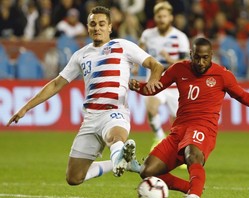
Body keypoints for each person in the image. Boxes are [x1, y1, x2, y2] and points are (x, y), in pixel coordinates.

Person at [7, 6, 164, 186]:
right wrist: (26, 107)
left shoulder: (123, 46)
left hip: (114, 111)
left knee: (115, 138)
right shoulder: (80, 56)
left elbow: (155, 65)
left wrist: (152, 80)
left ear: (110, 27)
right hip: (90, 119)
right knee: (74, 178)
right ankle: (122, 162)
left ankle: (120, 154)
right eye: (93, 24)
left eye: (102, 24)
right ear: (88, 28)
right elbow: (57, 83)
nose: (97, 28)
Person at [129, 37, 249, 198]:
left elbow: (245, 97)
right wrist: (139, 87)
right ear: (191, 54)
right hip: (179, 129)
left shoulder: (222, 75)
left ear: (212, 55)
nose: (201, 62)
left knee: (192, 154)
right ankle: (191, 188)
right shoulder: (178, 68)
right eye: (197, 57)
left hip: (204, 128)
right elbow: (156, 88)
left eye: (205, 57)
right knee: (147, 171)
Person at [137, 1, 190, 147]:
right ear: (155, 18)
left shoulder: (180, 37)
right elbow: (138, 51)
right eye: (159, 16)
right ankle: (159, 138)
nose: (161, 19)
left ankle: (177, 151)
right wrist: (135, 64)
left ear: (171, 18)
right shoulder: (148, 34)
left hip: (175, 84)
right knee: (151, 108)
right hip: (155, 80)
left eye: (164, 16)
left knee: (177, 121)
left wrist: (170, 59)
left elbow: (186, 62)